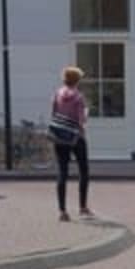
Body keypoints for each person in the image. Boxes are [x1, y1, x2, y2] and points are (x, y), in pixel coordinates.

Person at [51, 65, 91, 222]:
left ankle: (62, 211)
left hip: (60, 136)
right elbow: (81, 120)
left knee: (62, 172)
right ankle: (82, 207)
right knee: (83, 170)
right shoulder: (78, 97)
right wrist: (86, 114)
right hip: (76, 137)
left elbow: (53, 113)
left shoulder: (57, 94)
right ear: (77, 81)